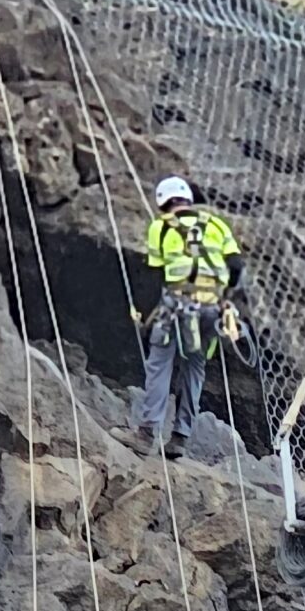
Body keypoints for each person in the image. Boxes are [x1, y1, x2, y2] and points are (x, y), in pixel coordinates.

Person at [133, 176, 244, 456]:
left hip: (177, 304)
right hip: (211, 309)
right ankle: (180, 437)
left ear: (162, 202)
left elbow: (152, 274)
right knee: (195, 367)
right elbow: (236, 264)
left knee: (160, 362)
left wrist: (144, 314)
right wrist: (222, 296)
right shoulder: (216, 224)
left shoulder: (160, 227)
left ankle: (146, 434)